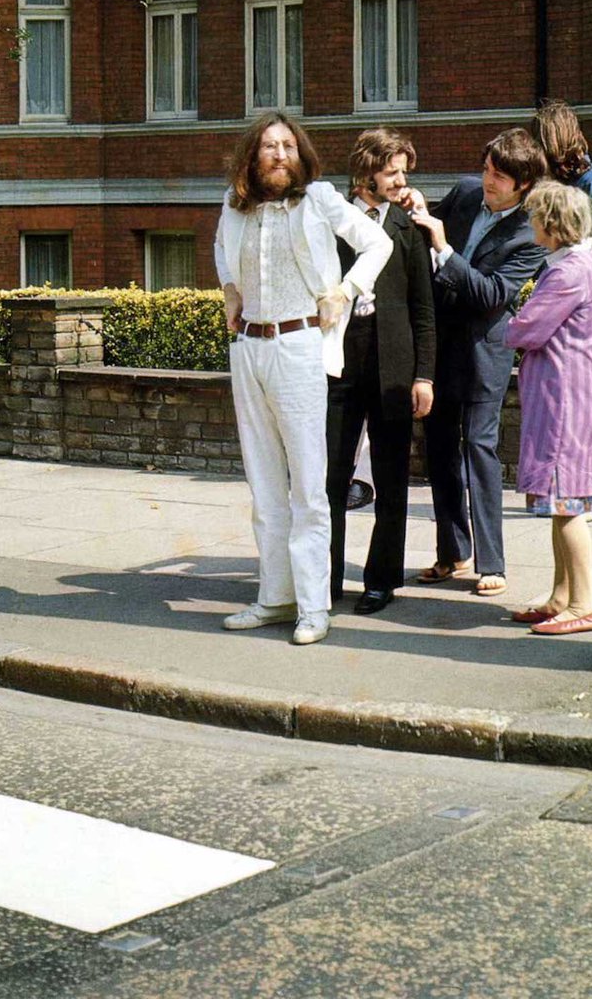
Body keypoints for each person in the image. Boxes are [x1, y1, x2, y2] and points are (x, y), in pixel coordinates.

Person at [214, 113, 392, 645]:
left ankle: (314, 608)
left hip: (300, 347)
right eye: (268, 146)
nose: (278, 154)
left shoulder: (319, 199)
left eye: (287, 145)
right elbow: (223, 249)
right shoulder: (234, 204)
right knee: (264, 482)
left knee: (309, 488)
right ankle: (275, 597)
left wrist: (347, 289)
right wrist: (229, 289)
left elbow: (376, 244)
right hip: (249, 347)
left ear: (301, 154)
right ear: (253, 155)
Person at [408, 129, 547, 598]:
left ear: (523, 184)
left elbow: (490, 294)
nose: (487, 180)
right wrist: (415, 205)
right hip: (440, 346)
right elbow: (422, 227)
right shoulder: (467, 192)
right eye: (487, 168)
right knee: (441, 449)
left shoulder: (528, 234)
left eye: (499, 176)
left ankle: (493, 562)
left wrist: (444, 248)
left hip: (483, 352)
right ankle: (452, 552)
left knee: (480, 451)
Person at [326, 127, 436, 615]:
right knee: (328, 477)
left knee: (391, 480)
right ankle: (324, 579)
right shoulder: (330, 220)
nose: (400, 180)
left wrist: (424, 375)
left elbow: (423, 308)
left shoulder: (408, 227)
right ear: (365, 173)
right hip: (337, 367)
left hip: (393, 369)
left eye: (403, 172)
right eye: (391, 171)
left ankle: (381, 579)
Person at [505, 180, 592, 634]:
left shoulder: (568, 273)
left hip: (564, 398)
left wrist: (512, 320)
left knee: (566, 503)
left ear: (552, 223)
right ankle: (561, 596)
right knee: (558, 502)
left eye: (534, 216)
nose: (529, 223)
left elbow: (525, 330)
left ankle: (582, 604)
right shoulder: (583, 265)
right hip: (572, 394)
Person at [533, 99, 592, 522]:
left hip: (585, 311)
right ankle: (591, 493)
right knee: (572, 407)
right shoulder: (567, 184)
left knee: (579, 405)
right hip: (569, 304)